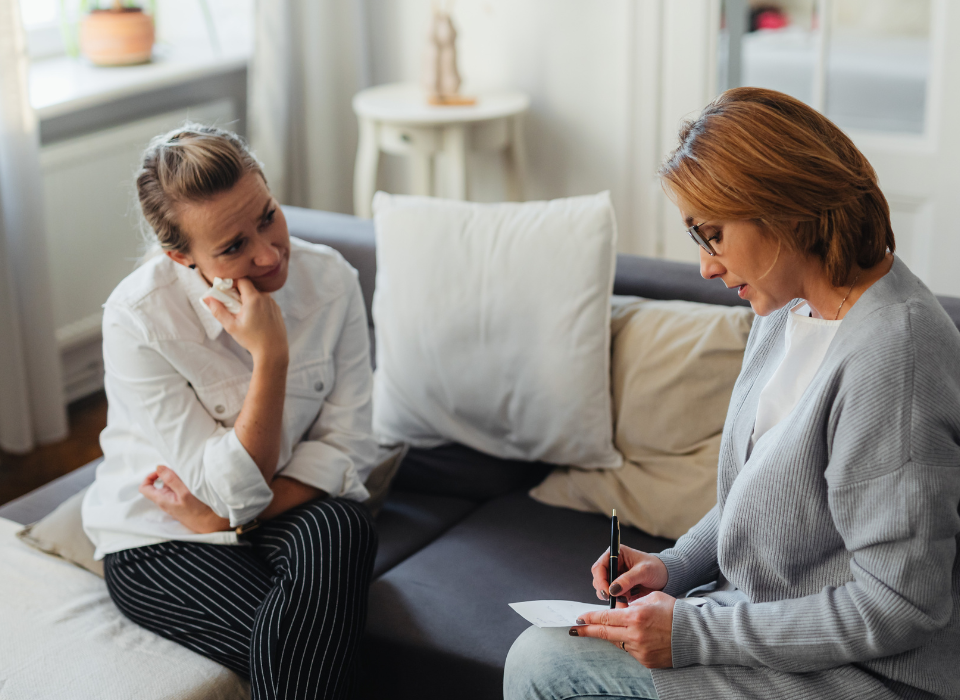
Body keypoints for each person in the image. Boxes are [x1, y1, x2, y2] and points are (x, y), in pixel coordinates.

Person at [504, 87, 960, 699]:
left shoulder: (895, 357)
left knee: (546, 661)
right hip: (769, 631)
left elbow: (899, 606)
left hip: (864, 676)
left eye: (712, 234)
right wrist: (674, 565)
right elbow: (765, 493)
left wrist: (691, 635)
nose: (705, 267)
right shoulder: (786, 307)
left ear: (784, 210)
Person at [81, 125, 380, 700]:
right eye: (232, 247)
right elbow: (224, 492)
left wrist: (230, 523)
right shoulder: (138, 319)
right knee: (320, 652)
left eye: (267, 216)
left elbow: (349, 448)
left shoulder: (333, 282)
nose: (268, 254)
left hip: (267, 514)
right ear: (180, 256)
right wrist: (270, 356)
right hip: (161, 538)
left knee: (343, 525)